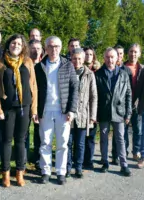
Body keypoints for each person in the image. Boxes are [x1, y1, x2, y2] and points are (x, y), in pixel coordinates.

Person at [0, 34, 38, 187]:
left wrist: (34, 109)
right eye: (13, 43)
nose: (15, 45)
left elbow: (33, 86)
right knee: (6, 140)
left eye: (19, 43)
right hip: (8, 108)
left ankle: (19, 172)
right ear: (8, 44)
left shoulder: (28, 62)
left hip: (24, 107)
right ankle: (5, 173)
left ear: (23, 46)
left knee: (21, 140)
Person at [35, 36, 78, 185]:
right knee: (45, 142)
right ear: (46, 48)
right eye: (51, 46)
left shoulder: (68, 65)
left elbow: (74, 88)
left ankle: (61, 172)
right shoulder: (39, 66)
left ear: (61, 48)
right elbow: (35, 91)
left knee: (62, 143)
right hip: (45, 111)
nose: (54, 49)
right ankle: (45, 171)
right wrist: (35, 111)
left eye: (57, 46)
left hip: (63, 111)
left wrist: (72, 110)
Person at [95, 47, 132, 176]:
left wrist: (128, 114)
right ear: (104, 58)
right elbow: (95, 96)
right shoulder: (98, 74)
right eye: (107, 57)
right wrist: (95, 114)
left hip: (119, 111)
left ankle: (124, 164)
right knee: (104, 138)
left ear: (117, 58)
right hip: (104, 111)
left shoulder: (123, 74)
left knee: (120, 138)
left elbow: (128, 95)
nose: (110, 59)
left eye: (112, 57)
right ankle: (105, 162)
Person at [66, 48, 97, 178]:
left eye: (79, 58)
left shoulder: (89, 74)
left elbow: (93, 96)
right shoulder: (66, 72)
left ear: (83, 59)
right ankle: (67, 168)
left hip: (83, 115)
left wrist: (92, 117)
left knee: (80, 144)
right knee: (67, 143)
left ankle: (78, 167)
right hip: (68, 115)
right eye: (74, 58)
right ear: (71, 59)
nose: (77, 61)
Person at [111, 43, 144, 165]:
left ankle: (136, 152)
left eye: (135, 51)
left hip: (137, 104)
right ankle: (122, 152)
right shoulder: (122, 67)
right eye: (131, 51)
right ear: (128, 53)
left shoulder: (143, 69)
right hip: (123, 104)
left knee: (137, 129)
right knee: (121, 130)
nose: (133, 54)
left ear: (139, 53)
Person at [25, 39, 44, 168]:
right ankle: (23, 158)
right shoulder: (24, 64)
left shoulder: (44, 65)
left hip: (41, 103)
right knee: (24, 132)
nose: (35, 50)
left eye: (38, 48)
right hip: (26, 103)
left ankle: (38, 158)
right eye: (33, 48)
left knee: (39, 132)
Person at [82, 46, 100, 169]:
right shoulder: (78, 68)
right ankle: (79, 158)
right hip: (82, 107)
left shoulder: (98, 71)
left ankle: (89, 160)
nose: (88, 56)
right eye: (86, 54)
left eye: (90, 54)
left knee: (91, 136)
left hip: (94, 106)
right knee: (81, 135)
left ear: (94, 56)